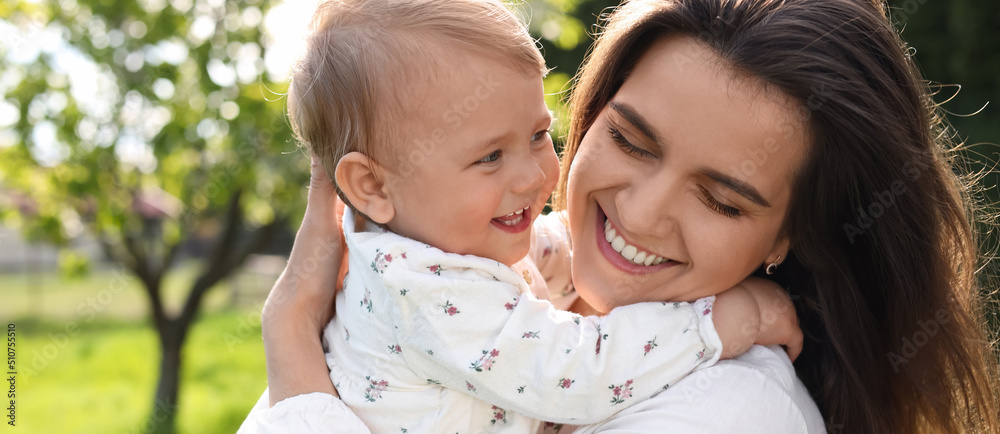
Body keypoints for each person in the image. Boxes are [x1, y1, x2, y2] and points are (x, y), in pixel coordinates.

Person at [245, 0, 1000, 432]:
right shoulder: (453, 283)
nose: (639, 212)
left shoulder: (727, 414)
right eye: (630, 141)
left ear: (791, 235)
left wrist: (292, 359)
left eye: (721, 198)